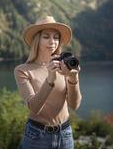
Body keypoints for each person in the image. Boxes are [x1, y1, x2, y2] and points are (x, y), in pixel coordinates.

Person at [14, 15, 82, 149]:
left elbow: (74, 105)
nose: (52, 42)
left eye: (56, 37)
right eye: (46, 37)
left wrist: (74, 79)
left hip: (65, 135)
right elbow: (34, 107)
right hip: (36, 136)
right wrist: (50, 79)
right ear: (37, 40)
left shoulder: (65, 66)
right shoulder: (22, 71)